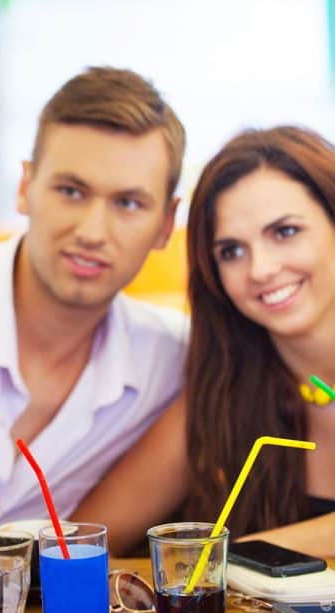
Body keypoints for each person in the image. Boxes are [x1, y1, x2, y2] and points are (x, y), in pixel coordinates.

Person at [73, 126, 335, 557]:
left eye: (285, 232)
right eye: (231, 251)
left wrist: (227, 557)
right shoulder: (219, 398)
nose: (261, 269)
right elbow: (80, 546)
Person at [0, 66, 189, 527]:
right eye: (71, 191)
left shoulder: (173, 356)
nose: (92, 232)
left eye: (128, 203)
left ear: (165, 222)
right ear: (25, 187)